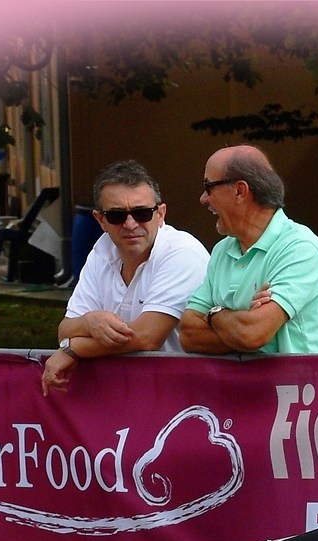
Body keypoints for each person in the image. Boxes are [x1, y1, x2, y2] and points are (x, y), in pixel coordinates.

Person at [40, 160, 209, 394]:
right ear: (100, 220)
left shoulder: (182, 253)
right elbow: (64, 330)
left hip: (184, 395)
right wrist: (88, 321)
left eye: (142, 213)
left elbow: (147, 338)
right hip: (126, 395)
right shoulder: (102, 250)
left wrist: (73, 348)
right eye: (117, 216)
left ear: (160, 214)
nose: (131, 224)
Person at [178, 145, 318, 355]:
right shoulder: (222, 250)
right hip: (243, 387)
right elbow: (188, 335)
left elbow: (253, 334)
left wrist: (214, 314)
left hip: (303, 386)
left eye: (209, 186)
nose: (203, 199)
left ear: (240, 190)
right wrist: (244, 327)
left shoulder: (300, 247)